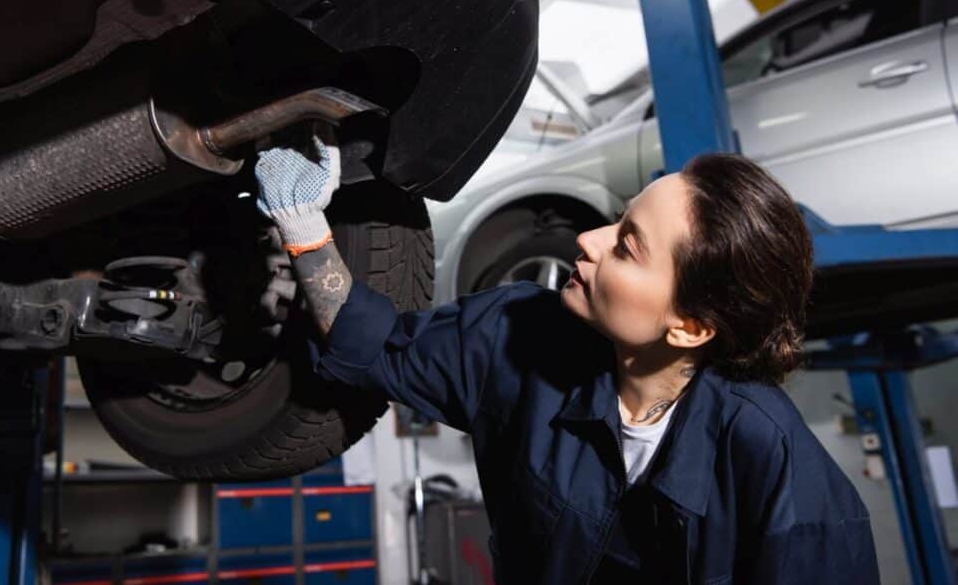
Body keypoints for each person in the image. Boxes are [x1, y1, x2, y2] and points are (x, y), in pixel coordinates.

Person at [253, 130, 879, 584]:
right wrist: (304, 224)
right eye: (617, 220)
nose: (588, 239)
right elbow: (376, 349)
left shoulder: (783, 476)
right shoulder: (518, 333)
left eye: (627, 248)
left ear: (688, 327)